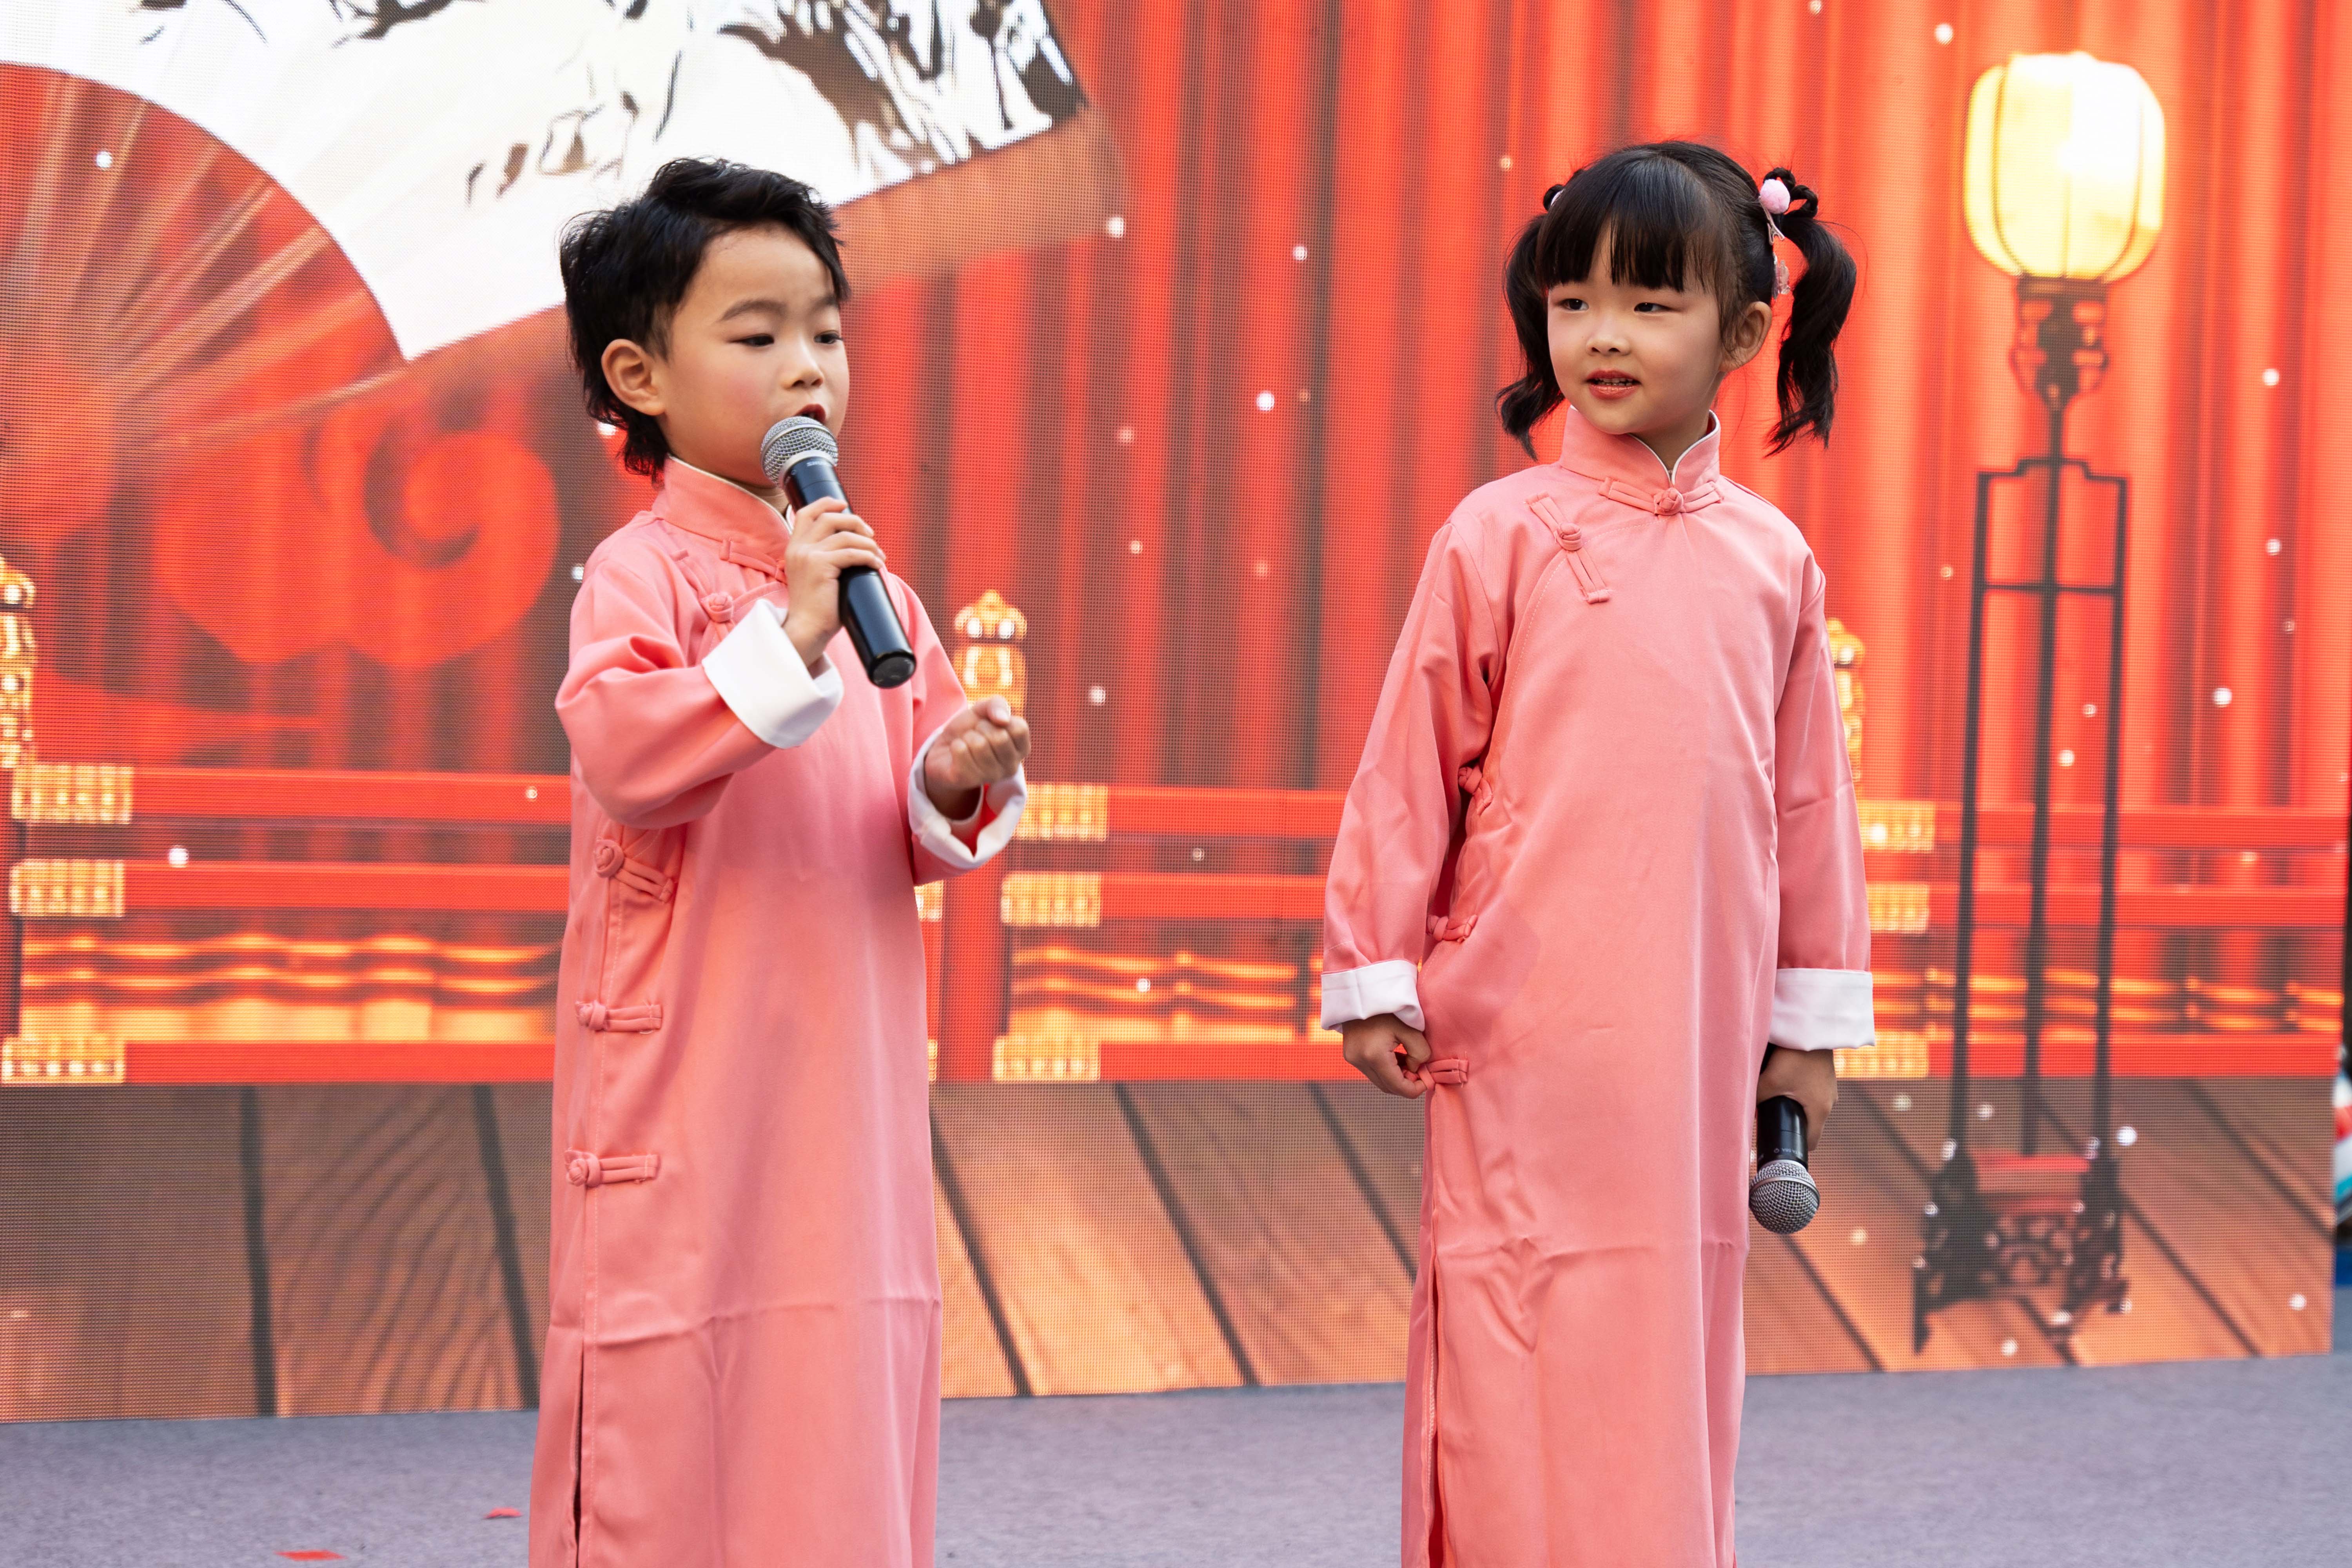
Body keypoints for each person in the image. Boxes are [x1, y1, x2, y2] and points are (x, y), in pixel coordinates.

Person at [1320, 142, 1869, 1566]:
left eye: (1648, 303)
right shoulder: (1497, 535)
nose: (1602, 337)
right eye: (1574, 303)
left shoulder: (1776, 564)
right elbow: (1409, 767)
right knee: (1512, 1336)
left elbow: (1811, 811)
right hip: (1520, 1030)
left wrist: (1806, 1034)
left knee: (1667, 1353)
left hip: (1693, 1043)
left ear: (1744, 333)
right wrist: (1375, 970)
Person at [533, 158, 1030, 1568]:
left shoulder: (879, 591)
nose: (807, 366)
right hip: (695, 1065)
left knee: (838, 1356)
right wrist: (791, 634)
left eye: (824, 329)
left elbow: (907, 810)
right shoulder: (644, 574)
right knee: (676, 1370)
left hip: (844, 1076)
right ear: (637, 375)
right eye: (756, 336)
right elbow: (624, 753)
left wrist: (954, 776)